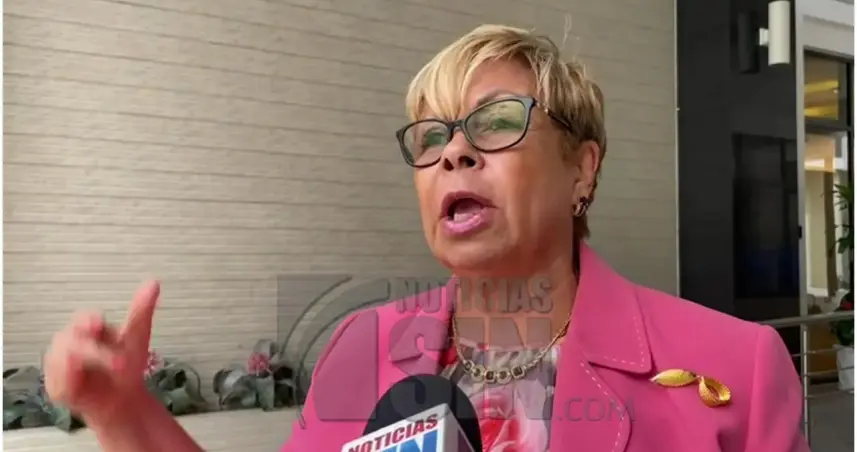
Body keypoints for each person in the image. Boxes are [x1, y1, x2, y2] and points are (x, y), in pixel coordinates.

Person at [44, 25, 810, 452]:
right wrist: (124, 413)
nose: (453, 152)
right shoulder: (362, 347)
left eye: (497, 123)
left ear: (581, 167)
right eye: (432, 136)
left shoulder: (736, 365)